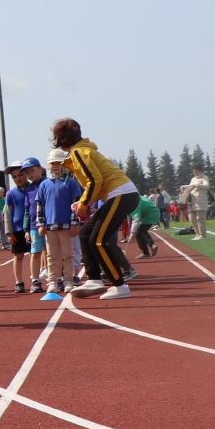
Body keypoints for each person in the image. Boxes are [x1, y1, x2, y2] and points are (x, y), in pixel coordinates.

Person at [54, 117, 138, 301]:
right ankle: (94, 279)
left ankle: (120, 286)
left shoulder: (78, 152)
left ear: (62, 139)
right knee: (85, 234)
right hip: (120, 195)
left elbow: (95, 180)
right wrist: (83, 202)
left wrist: (83, 205)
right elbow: (97, 183)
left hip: (121, 194)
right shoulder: (83, 150)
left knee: (99, 241)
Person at [34, 149, 81, 295]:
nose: (55, 166)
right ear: (48, 165)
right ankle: (53, 281)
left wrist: (74, 223)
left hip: (66, 225)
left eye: (58, 163)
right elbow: (39, 206)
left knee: (67, 254)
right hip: (50, 226)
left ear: (64, 165)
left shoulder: (71, 184)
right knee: (52, 256)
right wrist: (40, 224)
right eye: (53, 163)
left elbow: (75, 204)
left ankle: (68, 281)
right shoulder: (44, 184)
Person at [4, 158, 43, 293]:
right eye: (14, 177)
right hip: (17, 230)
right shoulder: (11, 194)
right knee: (18, 256)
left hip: (33, 227)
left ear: (25, 173)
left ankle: (35, 279)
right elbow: (7, 214)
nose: (18, 178)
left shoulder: (34, 188)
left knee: (35, 253)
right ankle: (19, 281)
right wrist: (9, 232)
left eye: (20, 175)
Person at [179, 169, 213, 239]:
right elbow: (190, 186)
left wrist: (197, 185)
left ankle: (202, 235)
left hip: (201, 201)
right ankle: (197, 234)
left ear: (200, 171)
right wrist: (184, 187)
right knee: (192, 218)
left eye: (196, 171)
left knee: (200, 218)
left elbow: (207, 186)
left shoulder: (205, 177)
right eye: (194, 171)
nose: (195, 173)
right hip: (191, 201)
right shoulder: (193, 179)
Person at [131, 192, 161, 259]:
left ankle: (146, 253)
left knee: (138, 233)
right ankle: (152, 245)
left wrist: (132, 233)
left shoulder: (135, 203)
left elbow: (136, 219)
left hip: (150, 215)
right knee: (142, 231)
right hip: (155, 213)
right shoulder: (140, 197)